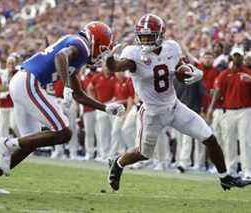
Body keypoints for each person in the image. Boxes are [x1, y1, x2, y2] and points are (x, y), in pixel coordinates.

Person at [0, 21, 125, 194]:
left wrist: (105, 108)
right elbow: (60, 57)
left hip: (23, 82)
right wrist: (66, 85)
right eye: (102, 49)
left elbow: (78, 94)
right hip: (29, 82)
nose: (101, 56)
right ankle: (8, 143)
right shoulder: (81, 45)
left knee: (30, 143)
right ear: (94, 41)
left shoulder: (78, 50)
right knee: (64, 131)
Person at [105, 14, 251, 191]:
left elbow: (182, 66)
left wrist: (194, 71)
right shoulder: (133, 54)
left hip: (174, 107)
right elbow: (116, 67)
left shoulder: (171, 48)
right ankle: (119, 162)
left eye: (149, 36)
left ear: (160, 35)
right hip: (151, 113)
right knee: (143, 153)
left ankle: (225, 177)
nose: (144, 40)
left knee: (210, 138)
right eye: (142, 36)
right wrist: (109, 59)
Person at [207, 47, 251, 179]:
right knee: (228, 142)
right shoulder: (224, 74)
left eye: (239, 56)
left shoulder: (248, 73)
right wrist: (211, 108)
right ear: (231, 57)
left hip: (245, 111)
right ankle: (231, 169)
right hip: (229, 112)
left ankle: (247, 170)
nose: (237, 58)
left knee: (246, 141)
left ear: (242, 57)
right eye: (235, 56)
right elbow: (217, 92)